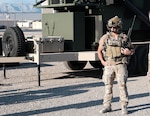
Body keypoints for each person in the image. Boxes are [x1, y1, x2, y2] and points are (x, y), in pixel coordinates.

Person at [97, 16, 134, 114]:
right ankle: (107, 105)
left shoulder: (124, 38)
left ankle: (124, 106)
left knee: (122, 86)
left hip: (120, 64)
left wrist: (128, 52)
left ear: (119, 27)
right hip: (109, 65)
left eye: (116, 27)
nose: (114, 29)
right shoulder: (105, 38)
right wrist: (103, 62)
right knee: (108, 86)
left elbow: (132, 49)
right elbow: (99, 51)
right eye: (112, 27)